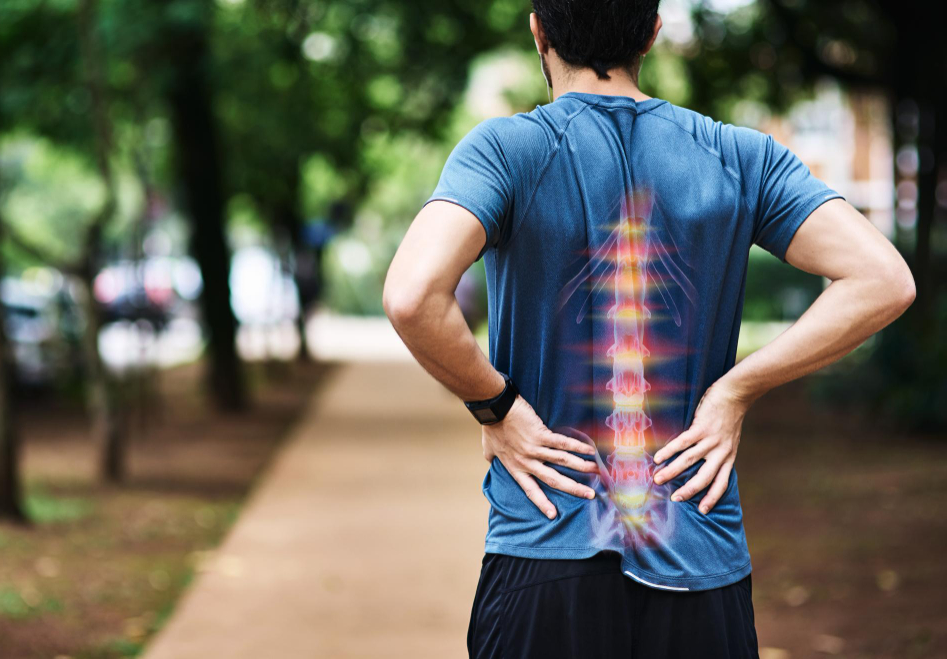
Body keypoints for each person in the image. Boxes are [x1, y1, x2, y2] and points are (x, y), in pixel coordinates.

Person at [382, 1, 915, 657]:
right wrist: (736, 391)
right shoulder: (737, 154)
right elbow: (884, 280)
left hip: (545, 547)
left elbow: (413, 296)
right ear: (653, 33)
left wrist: (498, 408)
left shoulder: (506, 149)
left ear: (538, 30)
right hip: (699, 558)